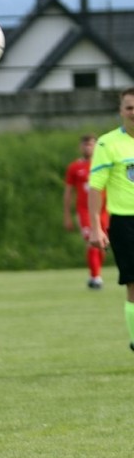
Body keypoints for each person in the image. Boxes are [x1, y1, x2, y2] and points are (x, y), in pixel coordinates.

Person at [88, 87, 134, 353]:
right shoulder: (107, 144)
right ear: (121, 111)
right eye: (129, 107)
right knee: (133, 285)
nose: (133, 112)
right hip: (125, 224)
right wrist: (96, 227)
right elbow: (96, 187)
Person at [64, 134, 109, 289]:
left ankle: (95, 273)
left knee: (102, 244)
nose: (88, 147)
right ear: (80, 147)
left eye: (91, 144)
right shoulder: (75, 167)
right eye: (85, 144)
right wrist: (67, 215)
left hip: (104, 210)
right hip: (85, 211)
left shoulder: (104, 165)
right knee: (92, 240)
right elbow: (69, 192)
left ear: (96, 146)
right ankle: (96, 277)